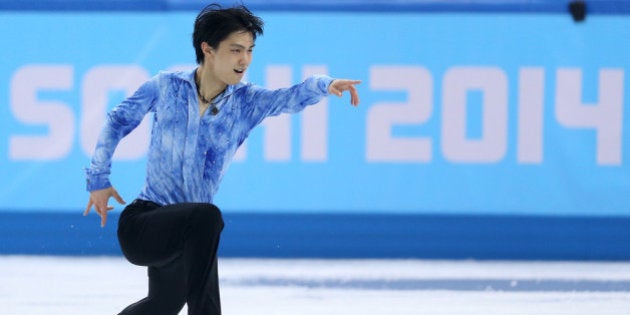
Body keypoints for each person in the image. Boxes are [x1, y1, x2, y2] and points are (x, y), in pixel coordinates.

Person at [83, 3, 361, 315]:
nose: (245, 60)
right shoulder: (166, 86)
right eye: (235, 50)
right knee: (207, 218)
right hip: (143, 225)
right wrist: (98, 180)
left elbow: (290, 97)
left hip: (186, 237)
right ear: (208, 49)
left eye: (250, 50)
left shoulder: (247, 102)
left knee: (163, 304)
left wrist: (325, 84)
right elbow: (117, 121)